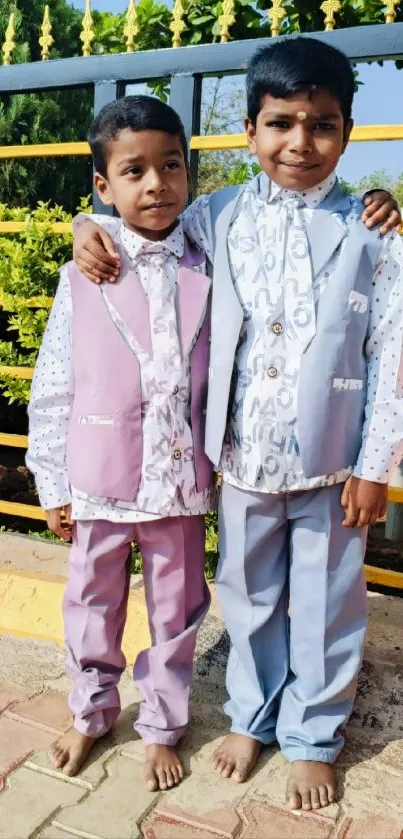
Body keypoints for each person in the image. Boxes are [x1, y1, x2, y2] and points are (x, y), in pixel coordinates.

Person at [72, 38, 403, 812]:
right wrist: (83, 226)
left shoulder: (373, 232)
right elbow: (137, 228)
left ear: (347, 131)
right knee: (248, 596)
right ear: (250, 131)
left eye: (321, 124)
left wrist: (375, 461)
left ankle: (313, 734)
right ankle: (252, 717)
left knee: (326, 601)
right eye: (280, 122)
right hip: (239, 458)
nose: (299, 142)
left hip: (332, 465)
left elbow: (392, 351)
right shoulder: (213, 215)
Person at [26, 95, 215, 792]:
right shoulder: (83, 271)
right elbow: (53, 382)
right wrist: (51, 481)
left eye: (171, 166)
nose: (156, 184)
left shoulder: (207, 259)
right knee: (91, 603)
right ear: (103, 188)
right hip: (100, 475)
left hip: (179, 480)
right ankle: (91, 709)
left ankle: (163, 723)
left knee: (177, 606)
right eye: (133, 171)